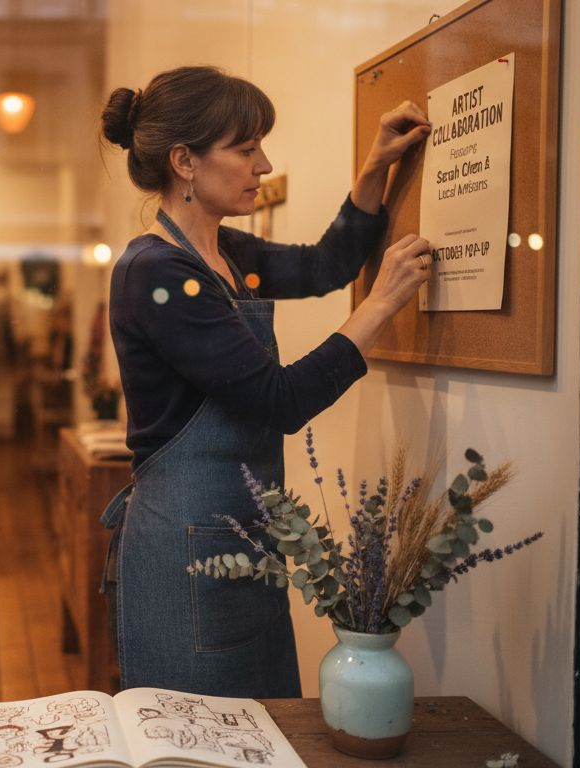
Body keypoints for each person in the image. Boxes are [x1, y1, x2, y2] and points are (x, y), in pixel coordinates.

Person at [98, 66, 432, 698]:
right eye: (245, 149)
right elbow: (281, 400)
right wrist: (382, 303)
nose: (264, 164)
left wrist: (374, 167)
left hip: (246, 538)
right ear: (185, 161)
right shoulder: (156, 273)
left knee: (264, 730)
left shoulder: (229, 256)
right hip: (186, 550)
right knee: (196, 740)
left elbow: (327, 265)